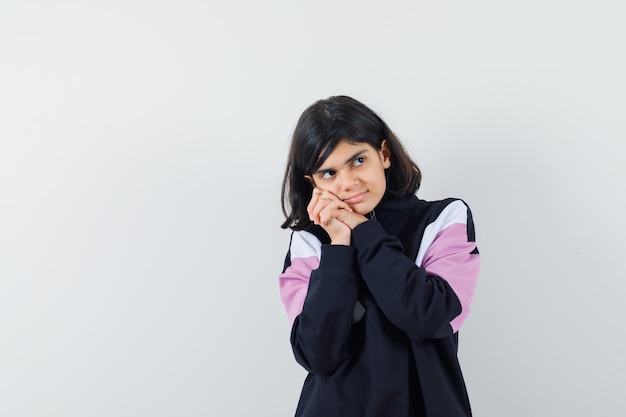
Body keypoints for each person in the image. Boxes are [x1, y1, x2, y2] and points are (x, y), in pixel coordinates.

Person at [278, 95, 480, 417]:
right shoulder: (309, 244)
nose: (348, 183)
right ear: (312, 183)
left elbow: (431, 316)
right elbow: (318, 354)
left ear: (383, 154)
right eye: (328, 173)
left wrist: (363, 231)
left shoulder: (444, 219)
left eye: (358, 161)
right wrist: (338, 247)